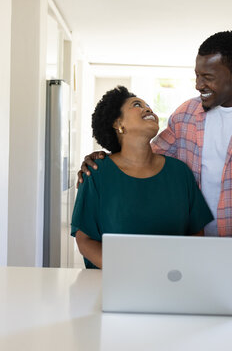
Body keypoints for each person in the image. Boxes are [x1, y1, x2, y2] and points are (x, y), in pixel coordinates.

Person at [78, 31, 232, 297]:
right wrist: (103, 160)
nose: (199, 85)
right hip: (185, 262)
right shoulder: (186, 115)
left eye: (208, 77)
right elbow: (143, 159)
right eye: (197, 76)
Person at [71, 86, 214, 269]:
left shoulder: (179, 172)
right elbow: (85, 240)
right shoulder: (96, 173)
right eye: (137, 105)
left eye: (148, 105)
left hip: (171, 283)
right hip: (114, 284)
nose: (148, 109)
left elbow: (196, 233)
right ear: (117, 123)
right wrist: (128, 272)